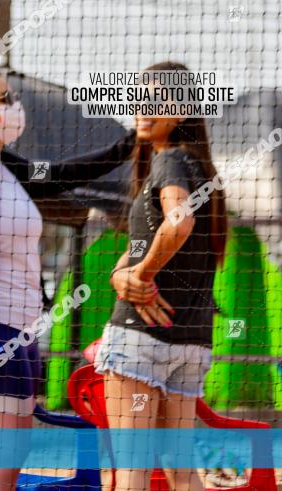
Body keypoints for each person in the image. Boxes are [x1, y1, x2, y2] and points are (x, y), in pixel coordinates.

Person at [0, 68, 135, 491]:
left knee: (6, 461)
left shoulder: (1, 165)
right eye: (5, 99)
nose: (15, 107)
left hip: (18, 328)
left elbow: (58, 175)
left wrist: (129, 145)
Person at [97, 62, 227, 491]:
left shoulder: (170, 159)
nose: (142, 105)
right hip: (190, 342)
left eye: (156, 98)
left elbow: (177, 222)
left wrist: (143, 274)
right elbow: (148, 237)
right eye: (137, 96)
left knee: (131, 473)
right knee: (182, 472)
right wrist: (124, 273)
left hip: (140, 338)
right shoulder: (199, 169)